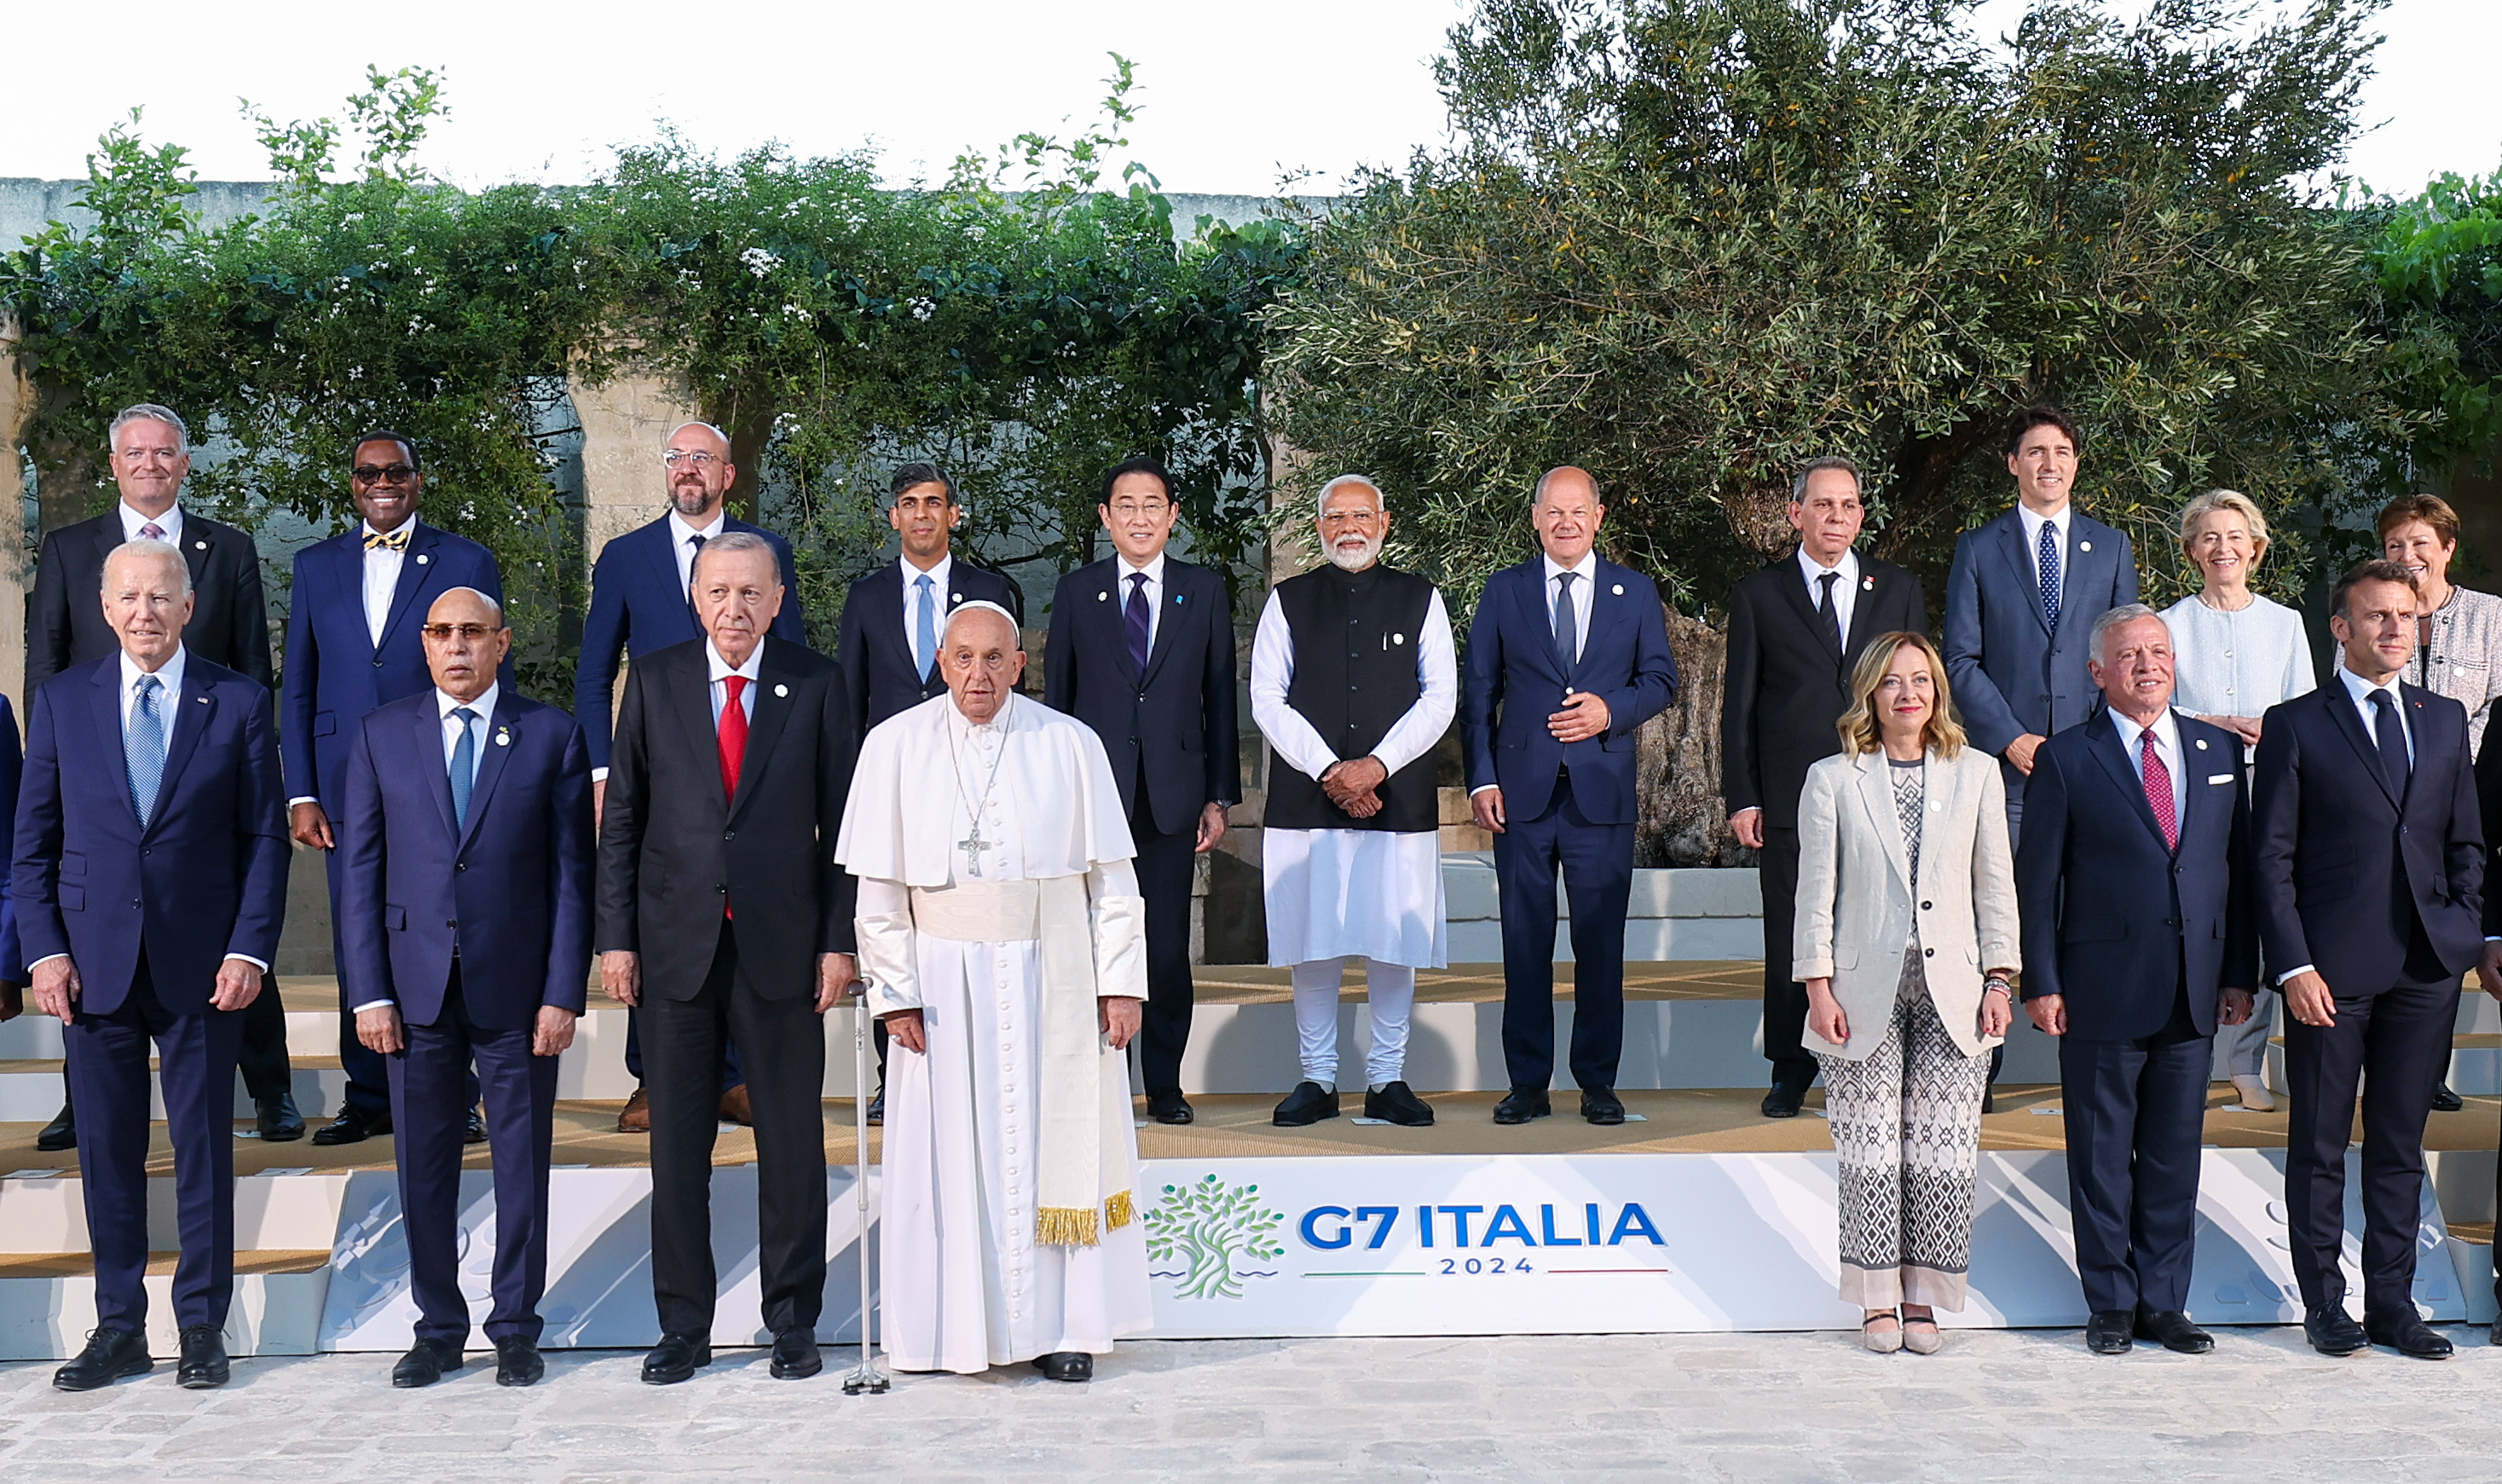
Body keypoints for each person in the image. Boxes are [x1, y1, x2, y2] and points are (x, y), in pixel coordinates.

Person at [840, 602, 1153, 1381]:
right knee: (950, 1153)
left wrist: (1119, 985)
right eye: (962, 658)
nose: (977, 675)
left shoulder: (1069, 743)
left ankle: (1067, 1327)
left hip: (1055, 973)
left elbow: (1112, 882)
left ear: (1020, 664)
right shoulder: (893, 746)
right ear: (941, 663)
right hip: (942, 983)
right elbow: (878, 894)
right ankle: (949, 1331)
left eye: (994, 659)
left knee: (1057, 1146)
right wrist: (895, 994)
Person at [18, 540, 289, 1392]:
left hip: (205, 965)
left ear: (187, 606)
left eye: (159, 597)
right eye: (128, 597)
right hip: (90, 967)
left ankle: (202, 1324)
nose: (144, 612)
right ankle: (119, 1325)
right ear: (105, 608)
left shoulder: (238, 700)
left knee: (204, 1148)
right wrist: (45, 949)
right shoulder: (62, 701)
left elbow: (263, 839)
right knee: (106, 1150)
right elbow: (33, 848)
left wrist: (249, 946)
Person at [597, 531, 859, 1386]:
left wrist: (837, 938)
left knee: (792, 1144)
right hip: (675, 948)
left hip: (784, 950)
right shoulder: (658, 678)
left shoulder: (816, 683)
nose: (735, 608)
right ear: (697, 599)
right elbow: (626, 818)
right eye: (719, 592)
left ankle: (792, 1321)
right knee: (678, 1149)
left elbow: (842, 833)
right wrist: (617, 936)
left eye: (751, 592)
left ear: (777, 600)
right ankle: (684, 1326)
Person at [338, 587, 594, 1389]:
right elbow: (359, 876)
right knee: (423, 1165)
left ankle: (516, 1325)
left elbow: (571, 879)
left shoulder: (550, 733)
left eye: (473, 634)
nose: (457, 647)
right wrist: (367, 993)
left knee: (521, 1161)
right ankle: (438, 1325)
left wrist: (563, 990)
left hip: (517, 992)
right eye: (443, 633)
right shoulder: (383, 735)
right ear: (424, 643)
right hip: (412, 994)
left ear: (501, 642)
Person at [25, 404, 296, 1152]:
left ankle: (270, 1088)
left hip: (207, 764)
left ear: (184, 464)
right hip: (100, 766)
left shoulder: (228, 548)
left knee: (230, 929)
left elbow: (252, 666)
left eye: (166, 452)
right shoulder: (70, 549)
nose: (151, 463)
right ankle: (83, 1104)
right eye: (136, 452)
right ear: (115, 463)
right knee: (99, 963)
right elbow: (46, 661)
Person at [2254, 558, 2484, 1360]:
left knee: (2398, 1141)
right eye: (2377, 615)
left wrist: (2461, 928)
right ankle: (2325, 1303)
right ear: (2340, 628)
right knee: (2318, 1145)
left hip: (2426, 967)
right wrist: (2292, 965)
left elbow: (2464, 840)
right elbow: (2270, 859)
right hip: (2328, 973)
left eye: (2406, 614)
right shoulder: (2295, 722)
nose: (2395, 627)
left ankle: (2392, 1302)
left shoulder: (2444, 716)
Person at [2014, 605, 2258, 1356]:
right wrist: (2040, 979)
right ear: (2098, 672)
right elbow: (2038, 881)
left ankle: (2165, 1302)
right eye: (2128, 656)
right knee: (2098, 1151)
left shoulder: (2214, 749)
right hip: (2097, 986)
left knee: (2171, 1154)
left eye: (2157, 651)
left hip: (2193, 986)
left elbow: (2237, 870)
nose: (2147, 665)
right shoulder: (2065, 757)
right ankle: (2111, 1303)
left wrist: (2238, 972)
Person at [1791, 632, 2016, 1355]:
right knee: (1870, 1152)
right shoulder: (1831, 778)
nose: (1908, 693)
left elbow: (1993, 887)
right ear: (1869, 693)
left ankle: (1924, 1298)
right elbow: (1814, 894)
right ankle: (1875, 1299)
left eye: (1920, 679)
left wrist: (1999, 978)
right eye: (1892, 681)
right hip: (1859, 991)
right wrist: (1816, 986)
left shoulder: (1977, 772)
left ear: (1938, 692)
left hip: (1956, 988)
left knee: (1943, 1152)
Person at [574, 419, 801, 1135]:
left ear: (728, 474)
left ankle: (734, 1078)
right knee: (661, 918)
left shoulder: (767, 553)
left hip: (749, 770)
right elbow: (591, 672)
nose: (687, 469)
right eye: (677, 458)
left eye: (702, 457)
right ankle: (653, 1079)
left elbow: (793, 669)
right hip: (660, 776)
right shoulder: (624, 556)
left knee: (739, 917)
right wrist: (604, 769)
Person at [283, 431, 506, 1146]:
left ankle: (455, 1094)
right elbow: (298, 684)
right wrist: (301, 791)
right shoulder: (316, 566)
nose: (382, 482)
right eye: (368, 472)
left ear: (417, 480)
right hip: (344, 776)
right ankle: (368, 1091)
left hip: (436, 774)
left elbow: (486, 665)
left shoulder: (466, 559)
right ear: (352, 483)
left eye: (397, 471)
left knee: (445, 928)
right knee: (359, 933)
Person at [1461, 466, 1678, 1127]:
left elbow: (1661, 680)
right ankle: (1526, 1083)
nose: (1565, 522)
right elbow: (1477, 694)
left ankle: (1596, 1083)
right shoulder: (1504, 591)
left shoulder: (1633, 592)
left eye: (1576, 511)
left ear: (1598, 516)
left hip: (1599, 798)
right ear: (1535, 519)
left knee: (1599, 946)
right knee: (1523, 945)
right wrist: (1481, 777)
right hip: (1519, 798)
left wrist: (1608, 711)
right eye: (1553, 511)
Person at [1721, 456, 1927, 1118]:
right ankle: (1790, 1064)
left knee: (1873, 922)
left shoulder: (1895, 587)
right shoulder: (1758, 594)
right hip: (1788, 794)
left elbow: (1917, 687)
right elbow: (1739, 706)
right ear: (1795, 513)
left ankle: (1873, 1054)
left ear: (1860, 515)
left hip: (1882, 787)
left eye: (1847, 506)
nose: (1835, 516)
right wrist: (1741, 795)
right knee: (1792, 927)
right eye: (1822, 504)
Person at [1251, 475, 1455, 1129]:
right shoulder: (1287, 601)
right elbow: (1266, 699)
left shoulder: (1420, 598)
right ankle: (1316, 1077)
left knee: (1393, 938)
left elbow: (1440, 697)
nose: (1349, 526)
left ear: (1384, 521)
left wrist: (1375, 767)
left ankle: (1387, 1077)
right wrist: (1330, 770)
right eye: (1335, 516)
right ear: (1318, 528)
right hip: (1307, 799)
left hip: (1396, 798)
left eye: (1361, 514)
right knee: (1314, 941)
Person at [1043, 455, 1239, 1126]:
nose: (1138, 517)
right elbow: (1059, 704)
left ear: (1172, 514)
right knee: (1091, 944)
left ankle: (1164, 1086)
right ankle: (1103, 1085)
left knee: (1162, 949)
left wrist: (1218, 794)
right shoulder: (1076, 592)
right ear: (1104, 517)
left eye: (1151, 504)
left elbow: (1219, 695)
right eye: (1124, 504)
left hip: (1171, 796)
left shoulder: (1203, 589)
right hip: (1092, 801)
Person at [833, 461, 1018, 1125]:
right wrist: (850, 788)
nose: (921, 515)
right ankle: (898, 1078)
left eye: (934, 503)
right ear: (893, 517)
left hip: (978, 782)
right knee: (895, 927)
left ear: (953, 515)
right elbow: (849, 701)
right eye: (908, 503)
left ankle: (988, 1072)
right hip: (896, 783)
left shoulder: (990, 589)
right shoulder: (866, 595)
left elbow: (1007, 688)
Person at [2158, 489, 2315, 1114]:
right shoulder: (2169, 624)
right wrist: (2209, 720)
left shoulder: (2284, 623)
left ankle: (2245, 1062)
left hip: (2268, 782)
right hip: (2192, 788)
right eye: (2209, 537)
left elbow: (2303, 705)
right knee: (2200, 911)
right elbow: (2156, 708)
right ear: (2192, 551)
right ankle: (2190, 1055)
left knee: (2266, 909)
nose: (2223, 548)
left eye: (2234, 536)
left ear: (2255, 547)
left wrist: (2265, 727)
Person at [2380, 494, 2501, 1115]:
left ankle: (2430, 1067)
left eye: (2420, 544)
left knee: (2450, 922)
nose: (2407, 557)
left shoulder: (2489, 615)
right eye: (2396, 545)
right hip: (2390, 798)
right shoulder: (2376, 611)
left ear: (2447, 548)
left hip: (2468, 794)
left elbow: (2497, 709)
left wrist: (2455, 757)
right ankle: (2394, 1064)